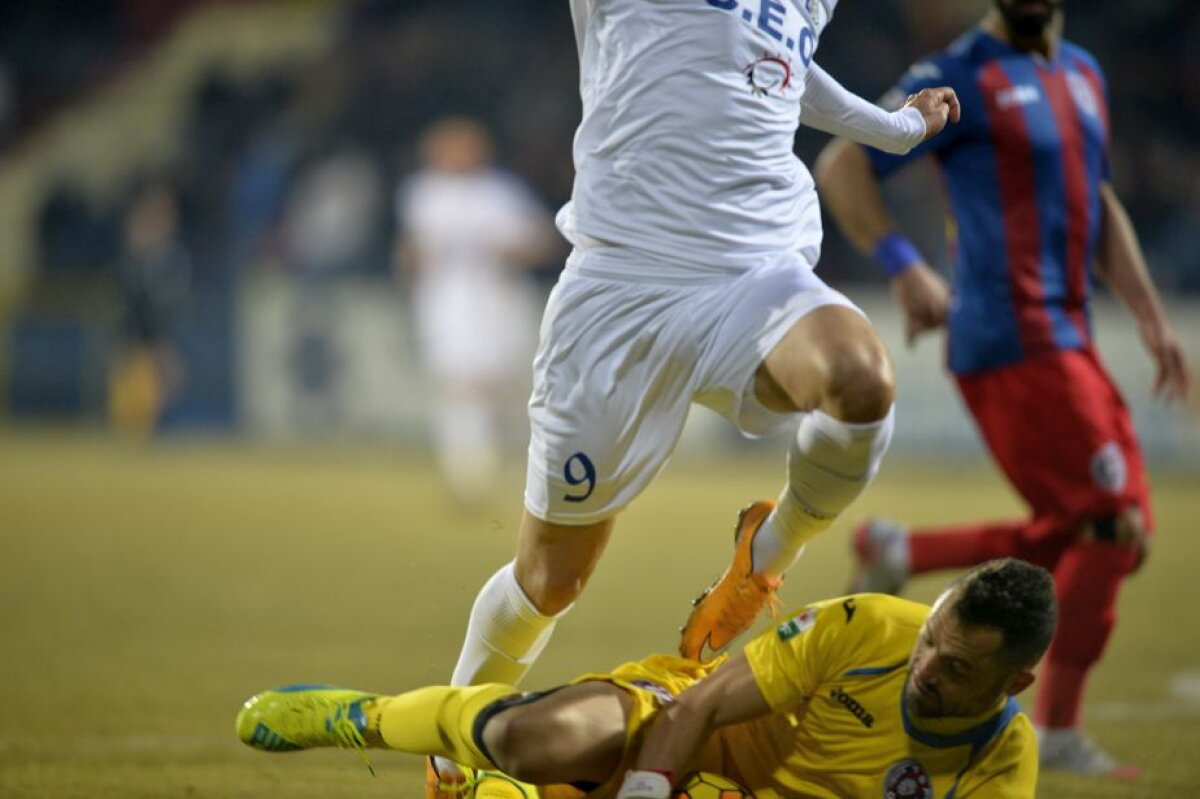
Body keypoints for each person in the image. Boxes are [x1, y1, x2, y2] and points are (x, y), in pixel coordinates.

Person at [432, 1, 961, 796]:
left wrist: (894, 130)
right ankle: (451, 753)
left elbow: (781, 65)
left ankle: (764, 559)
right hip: (621, 288)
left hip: (755, 268)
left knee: (861, 380)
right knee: (551, 581)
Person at [812, 0, 1191, 778]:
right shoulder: (955, 76)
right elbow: (843, 163)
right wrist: (903, 265)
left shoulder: (1081, 70)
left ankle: (903, 549)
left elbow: (1101, 196)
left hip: (1069, 335)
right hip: (1009, 336)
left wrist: (1149, 316)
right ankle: (1056, 729)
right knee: (1111, 525)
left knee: (1109, 529)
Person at [239, 558, 1057, 799]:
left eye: (953, 666)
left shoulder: (998, 772)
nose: (926, 667)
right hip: (696, 733)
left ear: (1013, 682)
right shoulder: (873, 627)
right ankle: (366, 717)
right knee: (534, 737)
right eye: (931, 641)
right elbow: (702, 702)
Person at [396, 117, 558, 508]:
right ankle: (469, 478)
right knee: (459, 387)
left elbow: (544, 241)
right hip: (448, 306)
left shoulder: (500, 193)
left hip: (500, 304)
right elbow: (410, 251)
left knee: (509, 393)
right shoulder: (422, 192)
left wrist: (509, 251)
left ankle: (520, 475)